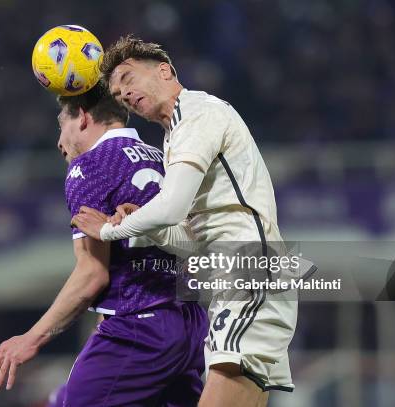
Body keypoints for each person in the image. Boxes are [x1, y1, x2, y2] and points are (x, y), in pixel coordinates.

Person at [71, 36, 298, 407]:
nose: (124, 94)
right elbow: (192, 240)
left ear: (165, 71)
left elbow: (172, 206)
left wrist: (110, 230)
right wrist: (148, 228)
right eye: (116, 92)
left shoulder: (197, 113)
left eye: (128, 79)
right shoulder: (174, 135)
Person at [0, 81, 208, 406]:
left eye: (62, 125)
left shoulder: (89, 166)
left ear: (84, 118)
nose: (60, 143)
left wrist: (31, 338)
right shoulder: (164, 158)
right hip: (189, 324)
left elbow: (93, 274)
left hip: (140, 329)